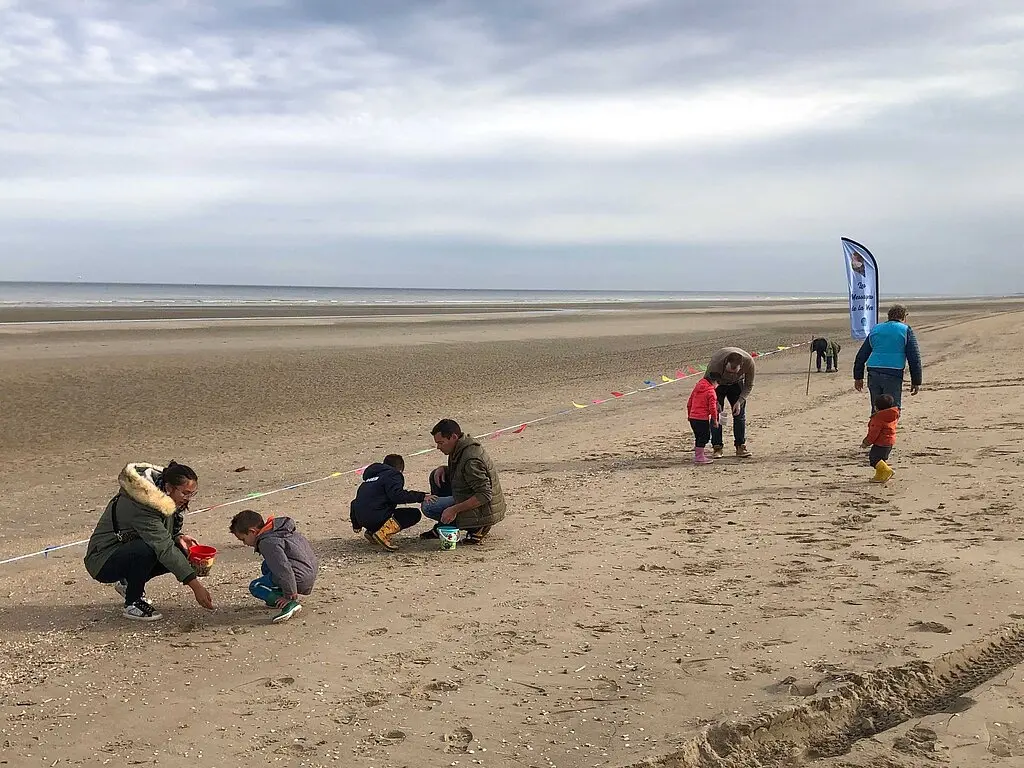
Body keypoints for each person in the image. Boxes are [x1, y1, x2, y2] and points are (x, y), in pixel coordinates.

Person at [84, 461, 214, 621]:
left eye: (192, 494)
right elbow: (162, 546)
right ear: (169, 487)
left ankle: (127, 582)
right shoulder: (141, 503)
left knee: (180, 549)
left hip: (127, 548)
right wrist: (195, 585)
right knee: (148, 549)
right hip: (102, 559)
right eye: (185, 493)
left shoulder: (163, 497)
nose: (188, 499)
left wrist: (178, 536)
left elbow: (162, 534)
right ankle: (133, 602)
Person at [420, 419, 507, 545]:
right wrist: (445, 469)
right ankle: (446, 524)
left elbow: (484, 495)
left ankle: (477, 526)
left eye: (441, 443)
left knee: (428, 506)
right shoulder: (461, 448)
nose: (438, 447)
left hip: (485, 510)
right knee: (436, 476)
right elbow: (464, 474)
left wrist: (453, 510)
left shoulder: (471, 460)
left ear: (454, 437)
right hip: (471, 496)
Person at [229, 509, 318, 623]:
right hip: (308, 572)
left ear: (252, 531)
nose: (244, 543)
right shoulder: (280, 530)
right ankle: (279, 594)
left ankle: (288, 603)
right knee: (266, 566)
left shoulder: (267, 542)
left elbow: (283, 568)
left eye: (243, 539)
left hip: (299, 578)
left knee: (256, 586)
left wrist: (290, 594)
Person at [350, 454, 435, 551]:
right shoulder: (393, 475)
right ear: (400, 469)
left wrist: (356, 524)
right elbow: (397, 495)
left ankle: (372, 531)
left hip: (362, 519)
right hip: (375, 517)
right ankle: (383, 533)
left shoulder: (369, 480)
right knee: (413, 514)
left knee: (378, 508)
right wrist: (421, 496)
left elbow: (354, 503)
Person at [853, 304, 923, 411]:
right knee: (892, 409)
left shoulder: (876, 329)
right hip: (893, 372)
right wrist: (916, 381)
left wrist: (858, 377)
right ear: (903, 317)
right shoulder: (905, 330)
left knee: (877, 408)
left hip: (874, 372)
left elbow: (861, 355)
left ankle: (876, 422)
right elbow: (914, 358)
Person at [705, 348, 755, 458]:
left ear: (741, 366)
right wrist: (715, 401)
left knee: (739, 414)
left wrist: (740, 401)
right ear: (725, 363)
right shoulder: (716, 364)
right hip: (718, 385)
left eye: (734, 372)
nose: (730, 374)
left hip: (737, 384)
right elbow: (707, 384)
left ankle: (740, 446)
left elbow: (749, 385)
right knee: (716, 415)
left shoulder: (749, 363)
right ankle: (717, 447)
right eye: (728, 372)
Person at [862, 394, 899, 484]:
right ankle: (880, 475)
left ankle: (887, 471)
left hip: (881, 442)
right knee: (881, 459)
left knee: (874, 459)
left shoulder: (878, 418)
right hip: (889, 441)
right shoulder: (893, 415)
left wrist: (866, 442)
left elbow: (874, 433)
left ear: (876, 407)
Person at [687, 371, 721, 465]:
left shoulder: (697, 388)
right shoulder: (711, 392)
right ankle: (699, 457)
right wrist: (715, 420)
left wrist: (689, 414)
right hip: (702, 418)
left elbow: (689, 402)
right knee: (704, 437)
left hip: (693, 417)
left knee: (698, 436)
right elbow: (712, 408)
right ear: (715, 381)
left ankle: (699, 454)